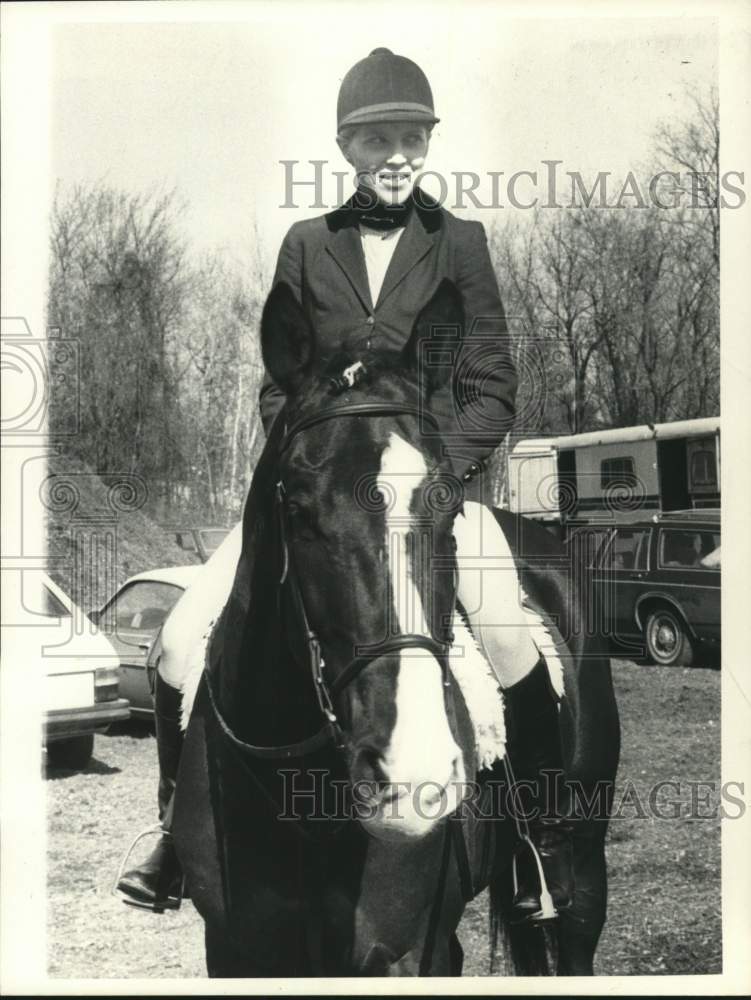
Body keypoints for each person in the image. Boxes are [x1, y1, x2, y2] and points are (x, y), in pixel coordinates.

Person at [117, 47, 572, 923]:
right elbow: (275, 385)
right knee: (178, 638)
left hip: (425, 494)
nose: (394, 153)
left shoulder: (459, 245)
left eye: (410, 136)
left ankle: (528, 836)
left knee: (514, 643)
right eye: (376, 138)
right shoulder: (306, 243)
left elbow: (492, 388)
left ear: (428, 144)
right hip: (321, 494)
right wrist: (310, 462)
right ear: (345, 147)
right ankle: (173, 833)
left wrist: (430, 466)